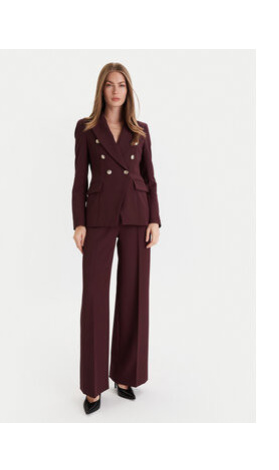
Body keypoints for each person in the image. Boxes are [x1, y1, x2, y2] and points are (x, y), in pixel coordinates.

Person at [72, 62, 162, 414]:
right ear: (102, 89)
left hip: (137, 216)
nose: (116, 91)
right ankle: (93, 386)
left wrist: (154, 218)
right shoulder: (86, 128)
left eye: (122, 84)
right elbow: (79, 179)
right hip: (98, 218)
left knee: (133, 294)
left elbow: (150, 178)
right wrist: (79, 222)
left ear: (128, 90)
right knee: (95, 297)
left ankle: (126, 375)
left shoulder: (141, 130)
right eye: (110, 84)